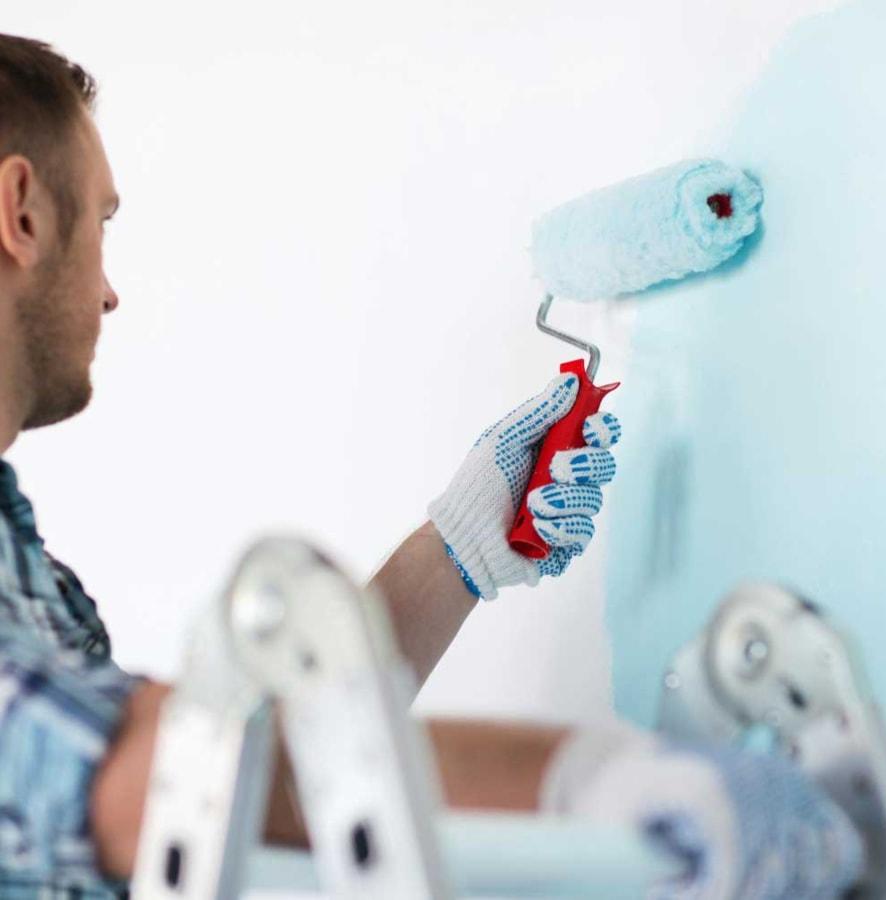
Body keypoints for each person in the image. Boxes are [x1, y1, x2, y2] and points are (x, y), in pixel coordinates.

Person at [0, 33, 626, 896]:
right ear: (21, 214)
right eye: (102, 226)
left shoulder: (24, 567)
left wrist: (461, 547)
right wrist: (619, 786)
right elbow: (160, 788)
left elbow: (250, 781)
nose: (109, 292)